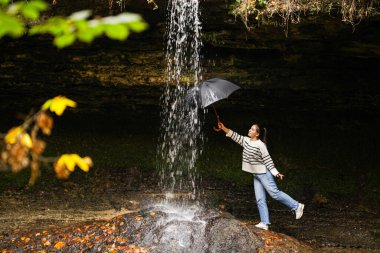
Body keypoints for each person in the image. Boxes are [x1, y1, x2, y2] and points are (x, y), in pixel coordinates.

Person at [217, 121, 304, 230]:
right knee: (260, 199)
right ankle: (264, 223)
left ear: (257, 134)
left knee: (274, 194)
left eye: (252, 129)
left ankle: (297, 206)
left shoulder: (260, 145)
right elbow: (234, 135)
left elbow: (268, 160)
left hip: (264, 173)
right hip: (256, 175)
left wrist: (276, 173)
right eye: (250, 128)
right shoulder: (246, 141)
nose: (250, 130)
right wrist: (223, 128)